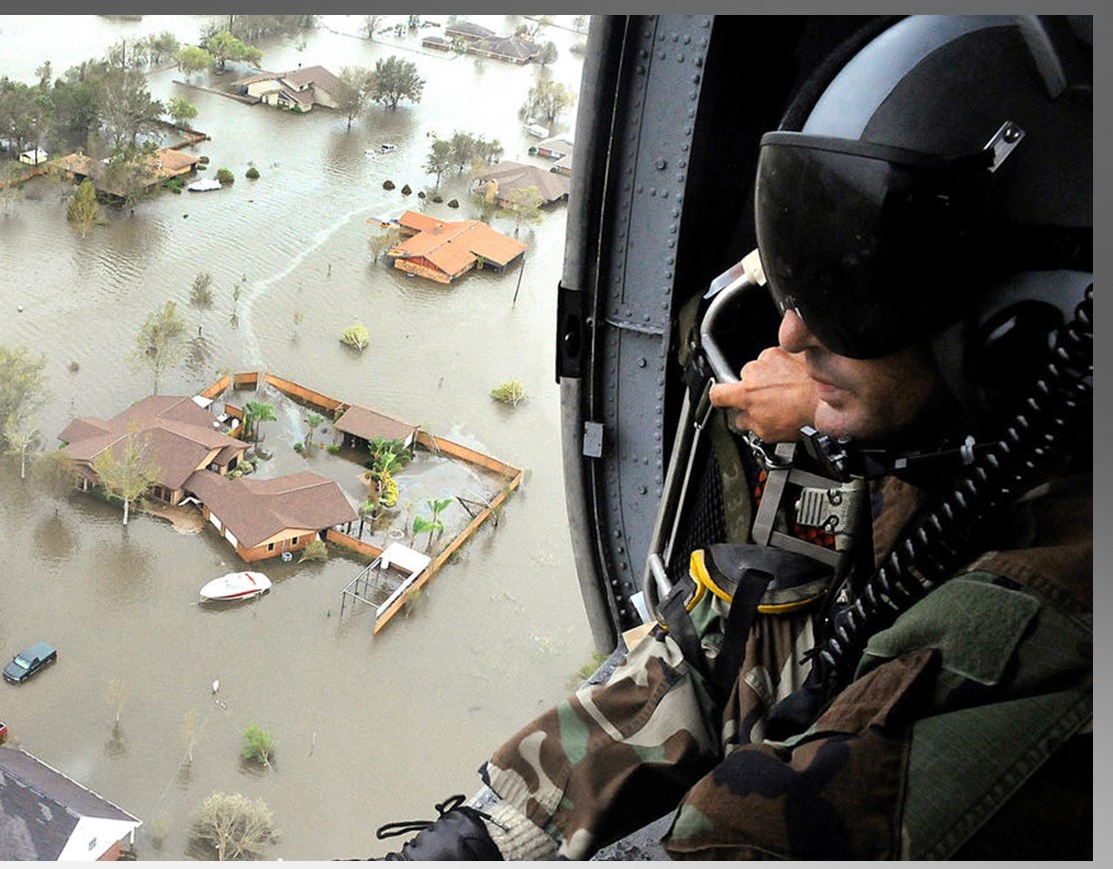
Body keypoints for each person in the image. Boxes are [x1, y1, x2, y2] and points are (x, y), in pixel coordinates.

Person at [375, 16, 1090, 860]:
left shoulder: (1035, 628)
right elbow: (745, 652)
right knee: (749, 598)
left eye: (854, 293)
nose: (790, 334)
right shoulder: (968, 458)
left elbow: (754, 834)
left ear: (1022, 322)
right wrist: (479, 838)